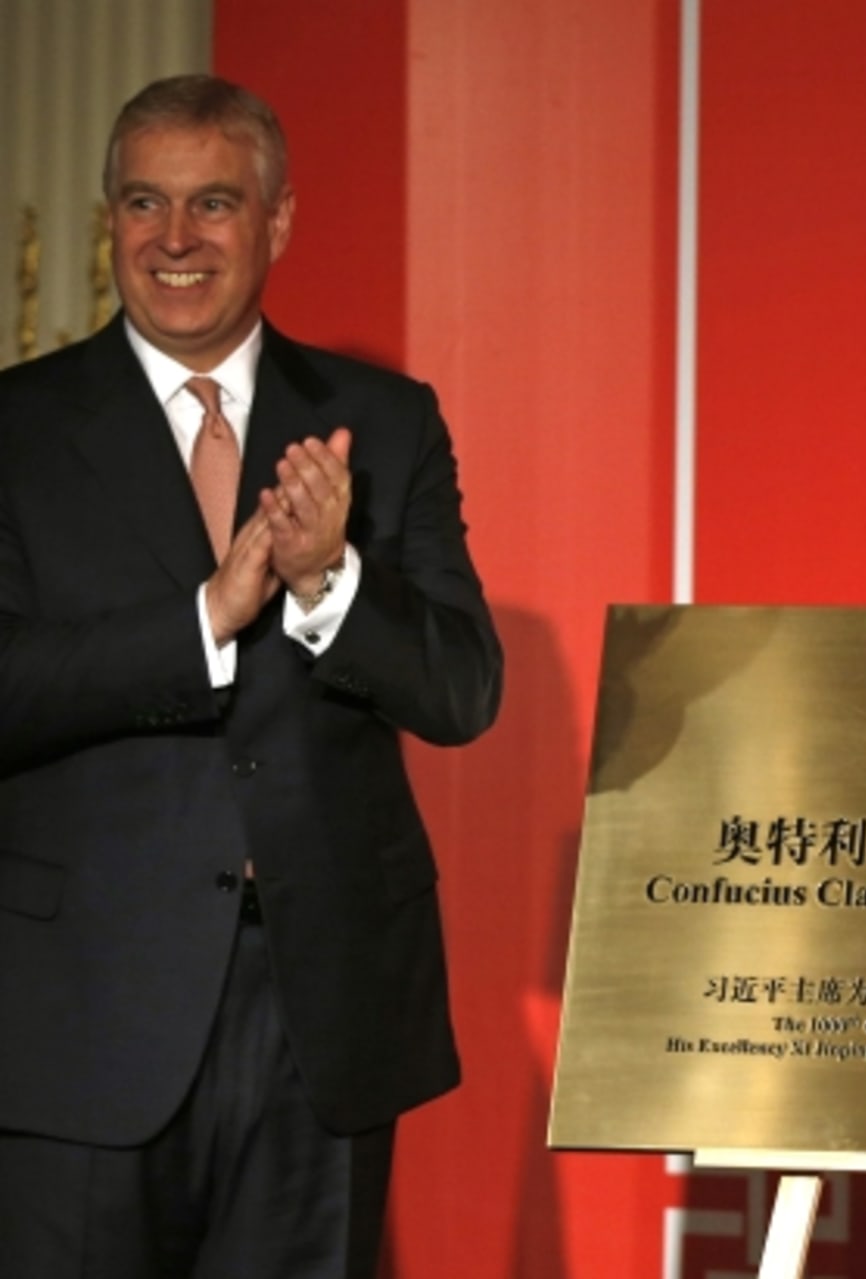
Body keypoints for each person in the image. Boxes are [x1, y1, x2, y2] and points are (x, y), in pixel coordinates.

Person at [0, 74, 502, 1276]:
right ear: (110, 221)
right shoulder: (17, 427)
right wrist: (205, 620)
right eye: (144, 203)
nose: (174, 238)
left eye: (213, 204)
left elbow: (461, 690)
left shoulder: (384, 423)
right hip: (82, 1018)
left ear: (276, 221)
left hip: (319, 1020)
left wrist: (331, 582)